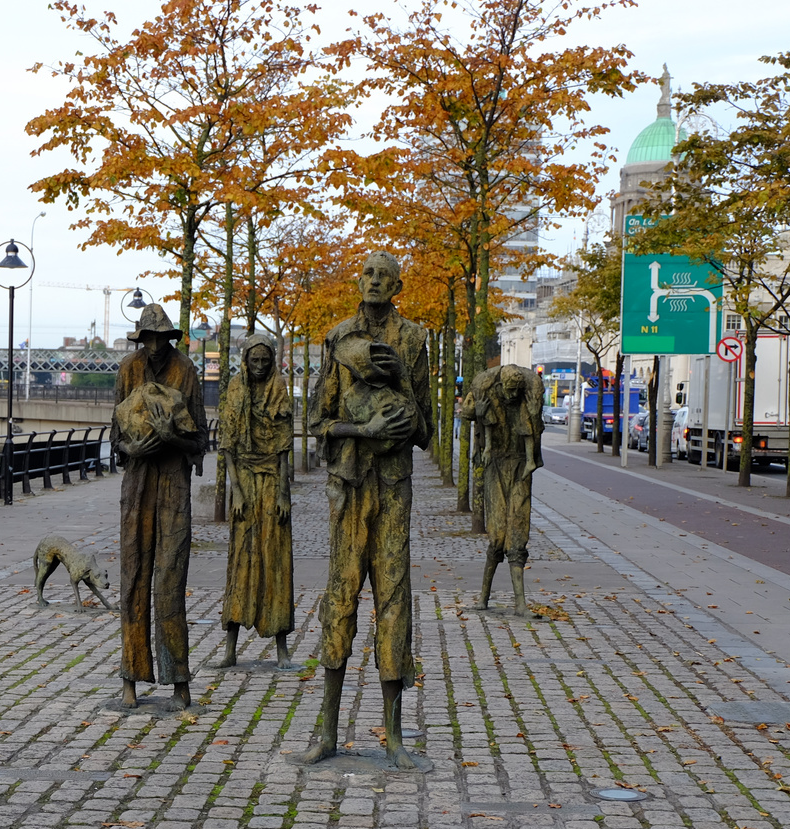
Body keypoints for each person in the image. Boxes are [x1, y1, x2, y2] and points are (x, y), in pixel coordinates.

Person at [299, 252, 432, 771]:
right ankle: (327, 732)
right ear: (359, 281)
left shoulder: (415, 340)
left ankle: (394, 736)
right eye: (367, 273)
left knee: (395, 599)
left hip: (394, 488)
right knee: (341, 596)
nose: (374, 281)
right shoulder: (337, 338)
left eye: (384, 275)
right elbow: (318, 420)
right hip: (349, 487)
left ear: (398, 285)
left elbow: (425, 431)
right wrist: (365, 432)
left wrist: (400, 381)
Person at [112, 304, 209, 710]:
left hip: (172, 486)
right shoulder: (127, 370)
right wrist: (130, 447)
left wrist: (173, 437)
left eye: (159, 339)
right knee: (133, 578)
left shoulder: (185, 370)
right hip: (137, 487)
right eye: (146, 339)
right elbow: (115, 435)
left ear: (169, 339)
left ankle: (179, 680)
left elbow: (201, 439)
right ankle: (131, 678)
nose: (153, 347)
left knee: (169, 584)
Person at [210, 335, 295, 669]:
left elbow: (284, 446)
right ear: (245, 361)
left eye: (265, 361)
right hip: (244, 477)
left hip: (273, 478)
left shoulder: (280, 389)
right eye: (254, 361)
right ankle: (230, 648)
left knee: (276, 559)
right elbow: (228, 445)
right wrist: (238, 491)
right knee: (242, 559)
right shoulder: (235, 389)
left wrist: (285, 493)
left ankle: (282, 647)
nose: (259, 367)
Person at [461, 365, 544, 615]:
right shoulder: (488, 393)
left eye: (516, 391)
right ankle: (484, 597)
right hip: (496, 466)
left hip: (520, 467)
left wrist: (534, 412)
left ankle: (520, 604)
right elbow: (468, 414)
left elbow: (533, 428)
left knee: (518, 529)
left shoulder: (524, 401)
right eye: (508, 390)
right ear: (500, 387)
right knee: (497, 534)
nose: (511, 395)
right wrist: (476, 413)